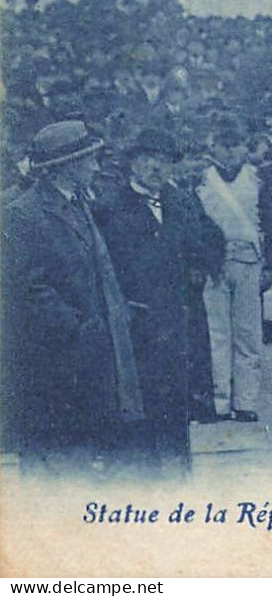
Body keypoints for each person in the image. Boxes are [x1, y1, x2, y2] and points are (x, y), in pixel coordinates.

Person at [1, 120, 144, 470]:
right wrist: (79, 328)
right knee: (55, 461)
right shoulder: (24, 214)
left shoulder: (77, 204)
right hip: (55, 361)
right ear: (66, 167)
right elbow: (28, 289)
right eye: (89, 159)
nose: (96, 167)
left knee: (79, 454)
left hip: (84, 358)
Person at [95, 127, 224, 472]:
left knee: (177, 402)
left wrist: (200, 266)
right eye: (149, 159)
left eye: (164, 161)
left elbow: (210, 237)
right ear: (133, 163)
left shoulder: (181, 201)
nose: (156, 167)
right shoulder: (107, 208)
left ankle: (178, 475)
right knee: (140, 406)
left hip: (180, 322)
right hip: (137, 325)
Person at [194, 117, 269, 423]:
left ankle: (246, 400)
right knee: (217, 334)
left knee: (248, 334)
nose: (229, 152)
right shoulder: (202, 180)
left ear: (244, 149)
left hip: (249, 261)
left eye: (235, 145)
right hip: (215, 266)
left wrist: (270, 265)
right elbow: (196, 225)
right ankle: (219, 400)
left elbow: (269, 222)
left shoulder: (256, 179)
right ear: (213, 148)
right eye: (223, 146)